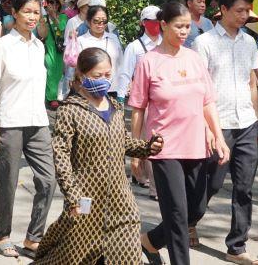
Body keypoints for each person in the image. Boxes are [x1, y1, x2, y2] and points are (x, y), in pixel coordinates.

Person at [34, 48, 164, 264]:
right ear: (81, 75)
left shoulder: (114, 106)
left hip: (121, 200)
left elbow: (123, 143)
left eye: (107, 75)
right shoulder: (70, 110)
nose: (103, 81)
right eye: (97, 76)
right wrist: (72, 196)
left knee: (127, 256)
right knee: (73, 257)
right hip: (86, 200)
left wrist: (148, 147)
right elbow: (61, 155)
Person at [128, 1, 229, 265]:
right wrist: (137, 150)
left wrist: (217, 135)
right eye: (179, 26)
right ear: (163, 25)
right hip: (163, 147)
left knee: (195, 209)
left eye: (187, 27)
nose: (185, 32)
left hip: (196, 144)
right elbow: (138, 108)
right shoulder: (149, 62)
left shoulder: (194, 59)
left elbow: (208, 101)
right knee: (176, 213)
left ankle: (149, 241)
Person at [190, 0, 258, 265]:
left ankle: (237, 246)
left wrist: (256, 123)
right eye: (239, 11)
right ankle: (189, 219)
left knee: (244, 188)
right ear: (222, 10)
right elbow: (198, 89)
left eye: (247, 10)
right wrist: (208, 129)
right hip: (217, 124)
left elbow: (252, 83)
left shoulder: (248, 42)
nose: (245, 15)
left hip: (246, 122)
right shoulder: (204, 43)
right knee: (212, 183)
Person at [0, 0, 56, 259]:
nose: (33, 17)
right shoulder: (3, 46)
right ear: (15, 13)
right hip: (10, 123)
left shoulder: (39, 46)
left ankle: (34, 238)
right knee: (8, 183)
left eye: (37, 12)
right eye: (28, 11)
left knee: (48, 181)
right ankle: (2, 235)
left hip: (38, 123)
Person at [117, 4, 162, 197]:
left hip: (162, 99)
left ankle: (143, 176)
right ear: (144, 23)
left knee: (154, 140)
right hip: (142, 100)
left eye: (158, 21)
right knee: (147, 142)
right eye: (151, 21)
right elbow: (125, 73)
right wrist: (119, 99)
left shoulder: (165, 43)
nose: (155, 25)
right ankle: (154, 187)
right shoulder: (135, 47)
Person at [77, 5, 122, 99]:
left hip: (113, 89)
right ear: (88, 22)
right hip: (90, 90)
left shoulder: (113, 38)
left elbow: (121, 62)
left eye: (104, 21)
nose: (100, 24)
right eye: (96, 21)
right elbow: (77, 67)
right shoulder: (81, 40)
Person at [37, 0, 68, 110]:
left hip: (59, 49)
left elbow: (62, 28)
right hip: (48, 47)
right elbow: (41, 34)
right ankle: (51, 98)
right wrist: (42, 20)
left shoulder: (64, 17)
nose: (50, 5)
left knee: (58, 72)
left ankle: (54, 96)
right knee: (49, 70)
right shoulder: (44, 18)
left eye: (53, 2)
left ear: (58, 5)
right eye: (48, 2)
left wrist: (54, 16)